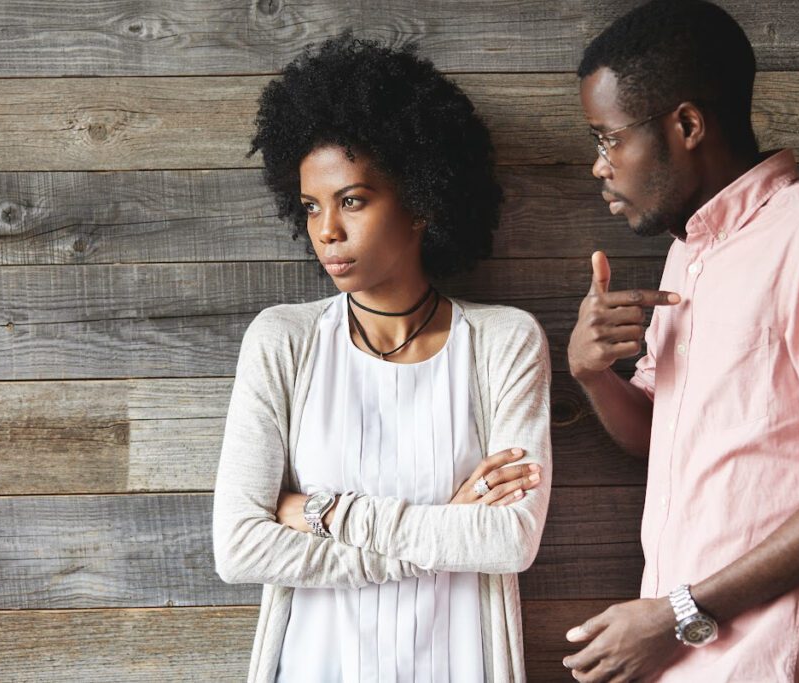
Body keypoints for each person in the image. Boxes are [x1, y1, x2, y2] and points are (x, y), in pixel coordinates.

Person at [563, 1, 799, 681]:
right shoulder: (688, 255)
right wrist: (592, 373)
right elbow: (658, 435)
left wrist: (678, 612)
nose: (599, 165)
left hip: (774, 662)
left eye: (608, 137)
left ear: (688, 125)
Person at [212, 36, 552, 682]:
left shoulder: (505, 343)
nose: (326, 231)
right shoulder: (282, 341)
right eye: (312, 206)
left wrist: (324, 513)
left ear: (422, 201)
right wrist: (437, 537)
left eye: (353, 200)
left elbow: (510, 538)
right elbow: (237, 545)